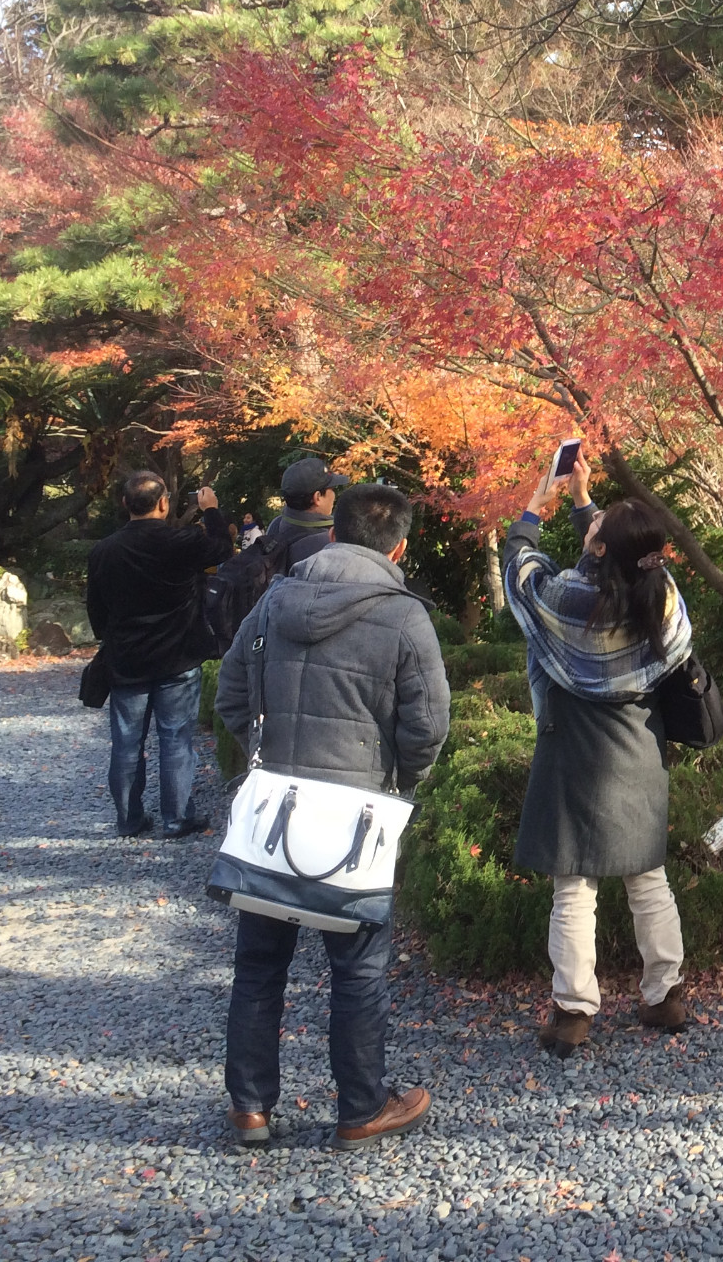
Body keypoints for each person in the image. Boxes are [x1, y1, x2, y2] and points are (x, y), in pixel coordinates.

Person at [212, 482, 451, 1149]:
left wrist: (263, 758)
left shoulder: (273, 599)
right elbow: (427, 727)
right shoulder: (404, 617)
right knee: (359, 967)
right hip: (356, 816)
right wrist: (396, 784)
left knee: (259, 964)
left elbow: (232, 693)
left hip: (273, 810)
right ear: (398, 547)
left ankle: (250, 1106)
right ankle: (361, 1107)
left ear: (335, 531)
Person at [503, 449, 694, 1057]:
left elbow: (521, 575)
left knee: (573, 887)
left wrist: (535, 508)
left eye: (595, 527)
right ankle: (665, 997)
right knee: (649, 879)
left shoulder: (567, 600)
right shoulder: (660, 595)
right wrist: (587, 502)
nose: (590, 527)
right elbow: (618, 560)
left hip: (574, 755)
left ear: (601, 547)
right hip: (638, 750)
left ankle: (573, 1013)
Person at [85, 471, 236, 837]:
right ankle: (177, 818)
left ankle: (129, 819)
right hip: (178, 655)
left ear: (125, 504)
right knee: (175, 738)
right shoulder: (182, 541)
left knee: (126, 743)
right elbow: (222, 549)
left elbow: (96, 609)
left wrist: (114, 638)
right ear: (164, 503)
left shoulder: (104, 550)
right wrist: (211, 510)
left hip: (127, 659)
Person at [263, 455, 349, 571]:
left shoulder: (276, 525)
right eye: (332, 489)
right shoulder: (328, 543)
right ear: (317, 497)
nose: (334, 495)